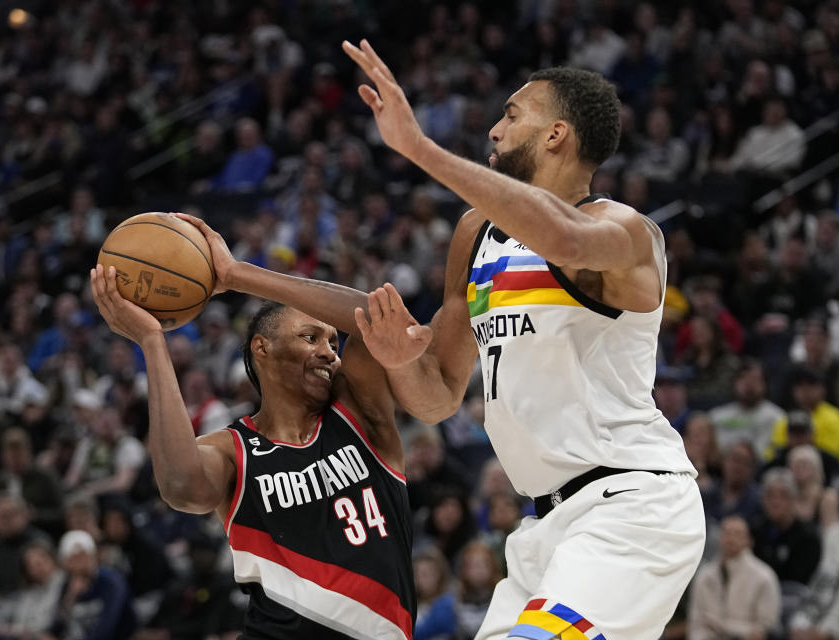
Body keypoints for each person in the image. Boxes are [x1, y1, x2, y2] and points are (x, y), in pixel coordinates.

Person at [338, 39, 704, 639]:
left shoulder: (625, 232)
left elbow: (566, 241)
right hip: (542, 530)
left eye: (511, 114)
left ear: (557, 134)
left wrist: (420, 150)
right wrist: (402, 362)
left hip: (632, 505)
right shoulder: (474, 236)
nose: (493, 128)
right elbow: (438, 398)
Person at [90, 262, 416, 638]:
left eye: (332, 342)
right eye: (310, 337)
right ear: (262, 347)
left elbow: (378, 318)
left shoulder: (358, 413)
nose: (328, 352)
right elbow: (181, 487)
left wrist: (233, 275)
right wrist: (152, 341)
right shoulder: (233, 450)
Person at [687, 515, 780, 640]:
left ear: (749, 541)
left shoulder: (764, 576)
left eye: (737, 534)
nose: (731, 538)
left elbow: (765, 630)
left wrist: (721, 625)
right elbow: (695, 624)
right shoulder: (704, 575)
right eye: (726, 533)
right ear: (719, 538)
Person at [788, 507, 839, 639]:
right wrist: (800, 626)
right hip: (815, 632)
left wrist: (831, 636)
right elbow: (809, 603)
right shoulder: (833, 566)